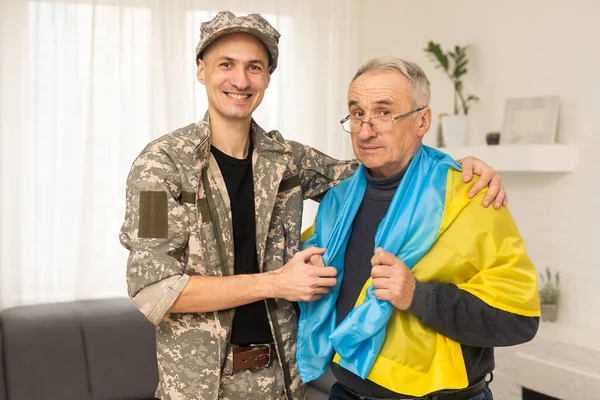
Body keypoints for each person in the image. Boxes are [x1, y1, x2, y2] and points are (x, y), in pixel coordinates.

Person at [120, 11, 507, 400]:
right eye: (226, 65)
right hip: (197, 388)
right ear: (201, 70)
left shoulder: (288, 160)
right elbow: (154, 289)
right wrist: (277, 283)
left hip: (282, 384)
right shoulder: (159, 168)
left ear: (268, 77)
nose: (240, 80)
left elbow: (380, 168)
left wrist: (457, 169)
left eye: (254, 67)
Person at [296, 57, 541, 400]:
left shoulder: (470, 196)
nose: (366, 130)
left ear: (422, 120)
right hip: (346, 392)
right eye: (357, 113)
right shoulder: (337, 200)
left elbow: (520, 319)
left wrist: (418, 296)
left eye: (384, 112)